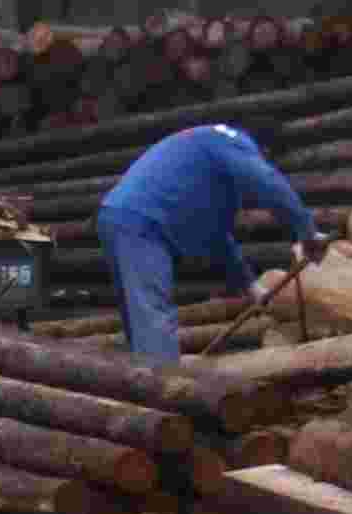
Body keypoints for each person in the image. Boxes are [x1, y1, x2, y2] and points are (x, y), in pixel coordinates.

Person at [96, 119, 320, 366]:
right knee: (152, 321)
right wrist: (306, 230)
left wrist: (248, 284)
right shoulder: (233, 142)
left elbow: (217, 235)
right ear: (264, 153)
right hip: (142, 223)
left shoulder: (209, 152)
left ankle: (139, 387)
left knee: (139, 327)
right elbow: (267, 181)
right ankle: (165, 395)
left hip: (116, 214)